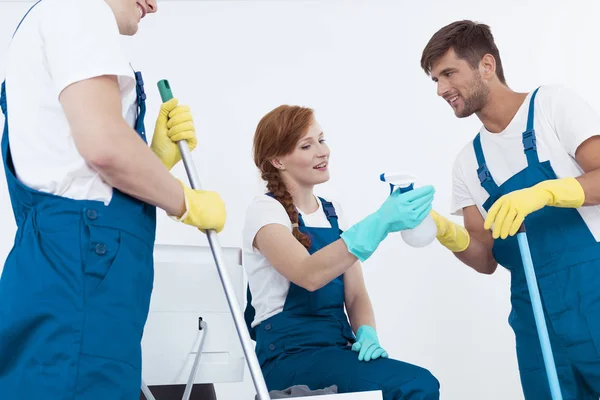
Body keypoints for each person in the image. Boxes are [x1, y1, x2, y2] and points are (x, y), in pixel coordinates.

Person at [0, 0, 227, 399]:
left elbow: (74, 170)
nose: (154, 5)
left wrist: (151, 160)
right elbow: (104, 147)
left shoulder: (51, 18)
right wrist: (185, 201)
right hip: (82, 267)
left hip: (57, 265)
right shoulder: (80, 10)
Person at [420, 20, 600, 399]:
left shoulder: (552, 105)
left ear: (487, 65)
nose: (441, 90)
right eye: (435, 80)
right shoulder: (468, 162)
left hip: (594, 294)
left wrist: (548, 192)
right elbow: (484, 257)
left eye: (448, 74)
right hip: (536, 319)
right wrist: (439, 229)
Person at [242, 104, 441, 400]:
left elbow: (356, 294)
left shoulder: (333, 214)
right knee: (416, 384)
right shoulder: (265, 211)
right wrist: (379, 222)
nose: (322, 151)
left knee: (411, 382)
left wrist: (366, 332)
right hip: (289, 357)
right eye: (306, 145)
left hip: (337, 347)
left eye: (321, 140)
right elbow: (308, 275)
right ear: (277, 160)